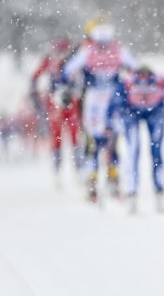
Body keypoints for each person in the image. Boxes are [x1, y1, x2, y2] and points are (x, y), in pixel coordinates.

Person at [63, 14, 138, 202]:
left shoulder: (118, 51)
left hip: (112, 102)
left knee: (112, 141)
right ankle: (94, 182)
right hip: (93, 102)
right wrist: (70, 86)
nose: (104, 45)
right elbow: (68, 71)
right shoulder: (87, 51)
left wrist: (131, 84)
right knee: (93, 143)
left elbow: (135, 69)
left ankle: (112, 180)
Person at [108, 66, 164, 213]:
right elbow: (114, 102)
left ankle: (159, 193)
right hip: (131, 112)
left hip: (155, 113)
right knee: (133, 151)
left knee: (156, 151)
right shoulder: (128, 82)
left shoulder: (159, 81)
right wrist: (109, 121)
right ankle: (131, 194)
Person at [31, 37, 83, 180]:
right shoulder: (49, 61)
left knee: (74, 136)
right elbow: (35, 76)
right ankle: (57, 170)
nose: (61, 54)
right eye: (59, 50)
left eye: (64, 50)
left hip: (71, 102)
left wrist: (79, 94)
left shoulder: (74, 60)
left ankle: (78, 169)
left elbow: (82, 79)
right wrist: (35, 95)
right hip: (55, 102)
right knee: (57, 137)